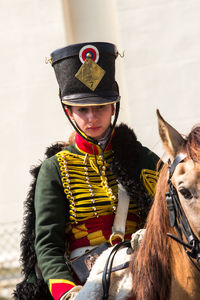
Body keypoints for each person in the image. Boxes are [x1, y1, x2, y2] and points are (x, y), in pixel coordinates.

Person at [14, 42, 160, 300]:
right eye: (82, 110)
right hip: (85, 277)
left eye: (101, 108)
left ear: (113, 108)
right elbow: (48, 244)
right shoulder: (54, 169)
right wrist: (66, 292)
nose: (92, 118)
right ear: (69, 111)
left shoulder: (143, 158)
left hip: (144, 264)